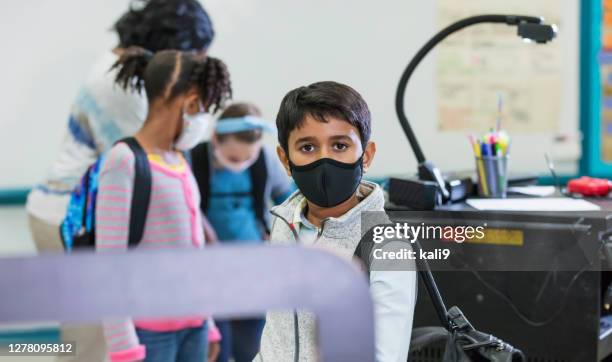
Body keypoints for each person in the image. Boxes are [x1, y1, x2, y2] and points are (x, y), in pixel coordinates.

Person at [24, 1, 217, 360]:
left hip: (73, 209)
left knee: (88, 337)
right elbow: (169, 145)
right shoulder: (124, 88)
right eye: (193, 58)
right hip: (73, 219)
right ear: (172, 49)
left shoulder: (118, 66)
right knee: (91, 344)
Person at [255, 81, 417, 361]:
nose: (324, 160)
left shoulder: (388, 246)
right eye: (307, 148)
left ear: (366, 156)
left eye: (340, 145)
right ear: (285, 159)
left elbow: (383, 356)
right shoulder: (284, 221)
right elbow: (276, 330)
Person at [96, 46, 231, 362]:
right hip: (149, 334)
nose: (202, 118)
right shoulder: (124, 160)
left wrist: (208, 322)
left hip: (194, 327)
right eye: (201, 107)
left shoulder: (179, 160)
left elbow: (194, 252)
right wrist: (123, 346)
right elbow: (108, 263)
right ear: (189, 101)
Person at [190, 102, 292, 362]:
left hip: (253, 271)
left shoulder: (265, 160)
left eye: (248, 158)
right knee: (216, 350)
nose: (241, 164)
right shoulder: (194, 161)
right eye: (234, 158)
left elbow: (289, 202)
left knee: (253, 348)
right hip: (207, 272)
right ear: (216, 139)